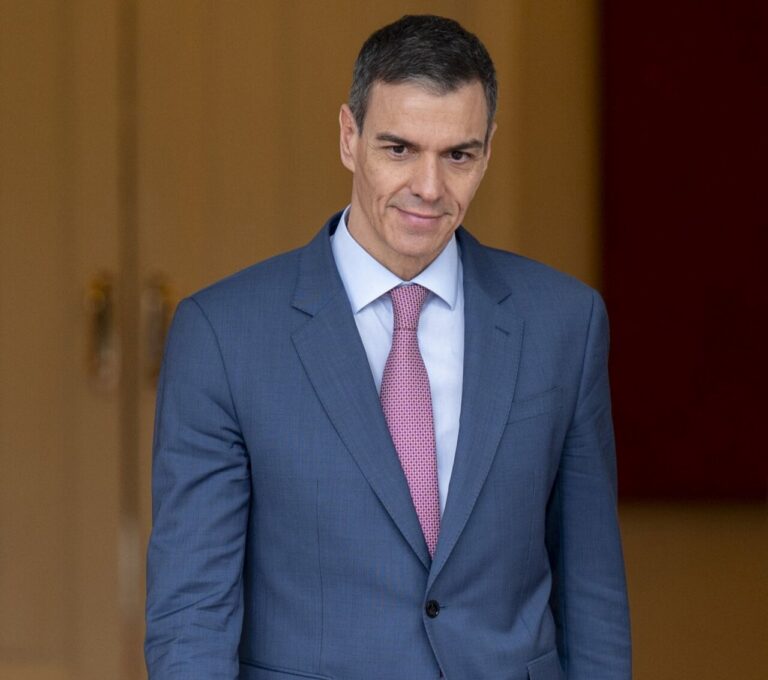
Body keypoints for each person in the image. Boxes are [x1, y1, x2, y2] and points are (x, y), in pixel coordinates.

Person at [145, 14, 631, 680]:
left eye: (457, 154)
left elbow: (593, 590)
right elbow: (192, 614)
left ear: (488, 149)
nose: (429, 188)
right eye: (398, 149)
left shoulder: (564, 324)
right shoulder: (224, 335)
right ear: (349, 136)